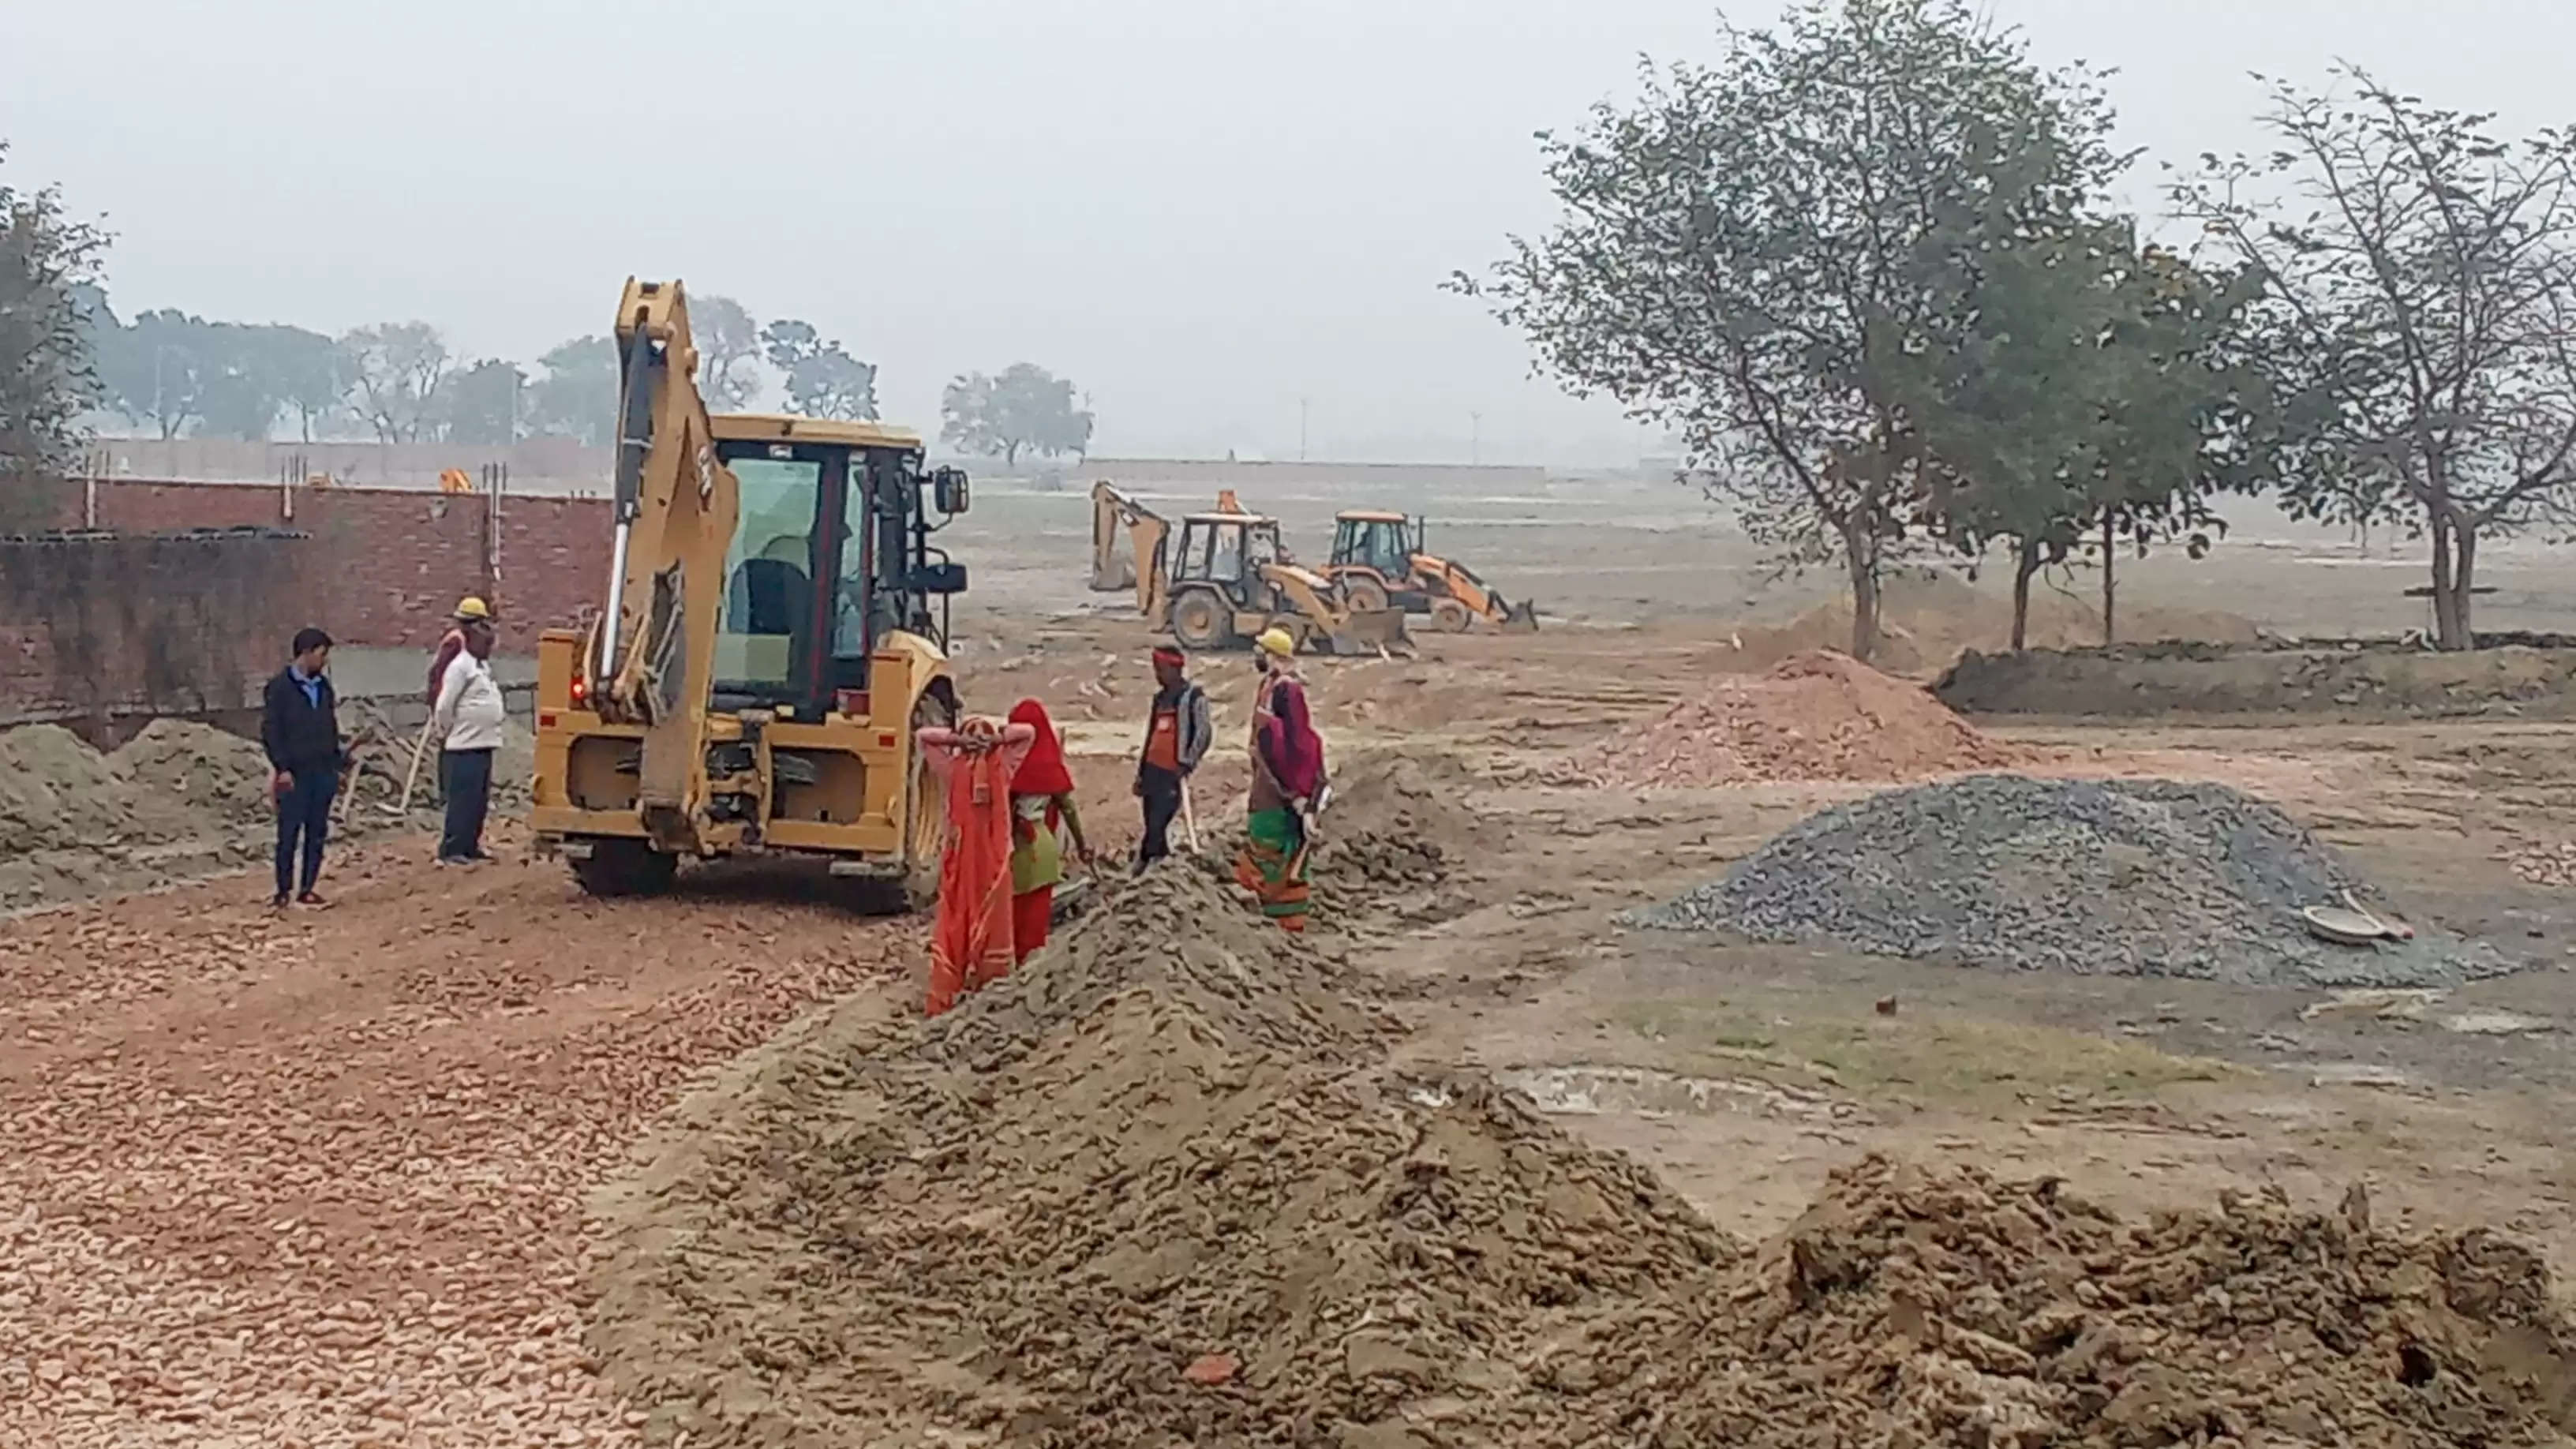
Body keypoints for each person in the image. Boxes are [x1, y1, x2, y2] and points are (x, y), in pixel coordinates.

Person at [916, 715, 1034, 1017]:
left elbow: (1027, 733)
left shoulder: (1002, 767)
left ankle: (990, 987)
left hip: (992, 861)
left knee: (992, 918)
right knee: (957, 918)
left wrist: (996, 740)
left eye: (984, 735)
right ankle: (951, 984)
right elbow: (924, 736)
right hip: (962, 861)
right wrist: (958, 740)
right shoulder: (953, 769)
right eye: (974, 734)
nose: (979, 741)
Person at [1237, 627, 1325, 932]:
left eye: (1261, 651)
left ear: (1272, 655)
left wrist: (1298, 794)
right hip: (1267, 782)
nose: (1256, 656)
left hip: (1279, 790)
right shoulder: (1270, 686)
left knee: (1272, 850)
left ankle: (1286, 922)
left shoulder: (1287, 691)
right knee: (1265, 849)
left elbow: (1297, 744)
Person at [261, 627, 342, 908]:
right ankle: (283, 890)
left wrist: (337, 762)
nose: (325, 661)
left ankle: (307, 888)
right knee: (288, 833)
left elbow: (330, 728)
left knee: (316, 833)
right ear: (305, 653)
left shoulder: (324, 688)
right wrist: (281, 768)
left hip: (323, 772)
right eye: (321, 654)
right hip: (293, 775)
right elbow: (272, 732)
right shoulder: (280, 689)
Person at [1005, 698, 1090, 963]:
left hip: (1013, 848)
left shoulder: (1006, 768)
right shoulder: (1050, 768)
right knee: (1036, 915)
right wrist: (1082, 845)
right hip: (1044, 847)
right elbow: (1070, 810)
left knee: (1012, 913)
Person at [431, 610, 506, 866]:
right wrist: (444, 731)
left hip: (483, 743)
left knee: (477, 801)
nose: (490, 648)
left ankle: (471, 845)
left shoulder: (481, 667)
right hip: (463, 745)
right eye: (486, 643)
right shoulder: (460, 666)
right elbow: (444, 706)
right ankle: (452, 849)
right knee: (462, 801)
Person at [1133, 646, 1211, 874]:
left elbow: (1204, 733)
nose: (1158, 675)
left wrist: (1187, 763)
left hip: (1172, 772)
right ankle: (1154, 864)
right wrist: (1140, 773)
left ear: (1176, 670)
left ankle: (1148, 865)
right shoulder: (1159, 699)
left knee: (1159, 822)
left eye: (1161, 670)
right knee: (1151, 821)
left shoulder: (1193, 697)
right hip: (1152, 770)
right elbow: (1151, 735)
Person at [425, 597, 492, 706]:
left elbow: (439, 670)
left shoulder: (464, 640)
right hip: (455, 698)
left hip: (456, 698)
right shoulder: (460, 640)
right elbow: (440, 671)